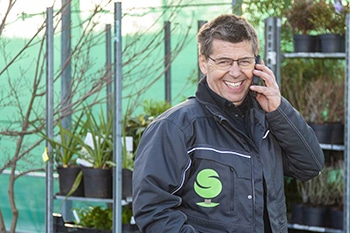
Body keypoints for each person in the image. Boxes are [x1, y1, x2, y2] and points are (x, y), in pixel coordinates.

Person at [132, 14, 324, 233]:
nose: (235, 72)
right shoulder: (176, 127)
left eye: (244, 61)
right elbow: (153, 211)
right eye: (224, 61)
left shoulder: (267, 120)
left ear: (257, 64)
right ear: (204, 63)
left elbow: (310, 166)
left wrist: (279, 110)